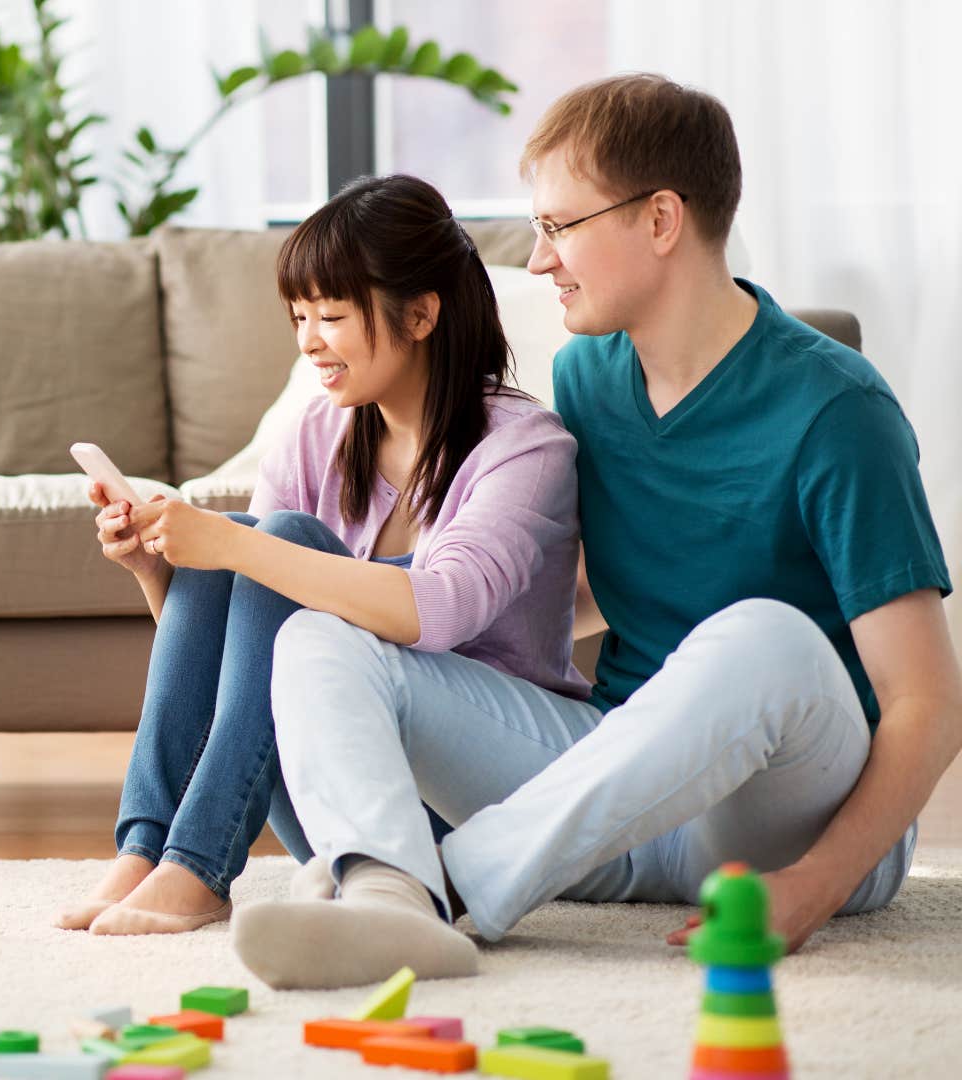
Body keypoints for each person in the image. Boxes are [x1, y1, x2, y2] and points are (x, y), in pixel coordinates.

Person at [241, 73, 958, 990]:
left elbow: (930, 703)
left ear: (661, 221)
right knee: (321, 637)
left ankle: (454, 889)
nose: (539, 263)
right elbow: (568, 601)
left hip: (785, 817)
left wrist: (816, 885)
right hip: (617, 796)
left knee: (760, 632)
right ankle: (389, 899)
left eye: (558, 227)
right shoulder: (586, 379)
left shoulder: (836, 409)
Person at [55, 174, 586, 947]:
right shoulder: (316, 434)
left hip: (477, 798)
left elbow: (440, 610)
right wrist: (158, 566)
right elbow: (238, 657)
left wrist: (237, 544)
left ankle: (199, 868)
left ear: (421, 314)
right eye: (299, 316)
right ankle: (148, 848)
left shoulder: (525, 449)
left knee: (278, 541)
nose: (308, 341)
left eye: (331, 316)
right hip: (343, 793)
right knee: (250, 539)